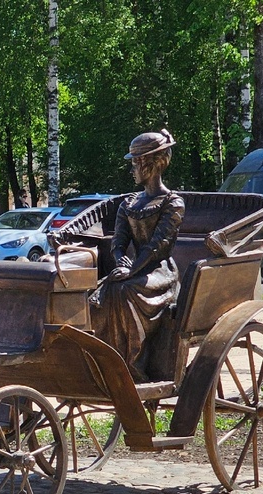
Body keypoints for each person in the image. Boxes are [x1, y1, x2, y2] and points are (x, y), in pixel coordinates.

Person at [90, 130, 184, 383]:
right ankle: (105, 362)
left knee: (124, 291)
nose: (132, 169)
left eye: (134, 163)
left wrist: (131, 271)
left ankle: (133, 365)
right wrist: (121, 260)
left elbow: (157, 246)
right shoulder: (129, 203)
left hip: (159, 273)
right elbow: (118, 242)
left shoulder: (172, 203)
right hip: (135, 269)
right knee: (99, 294)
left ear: (150, 164)